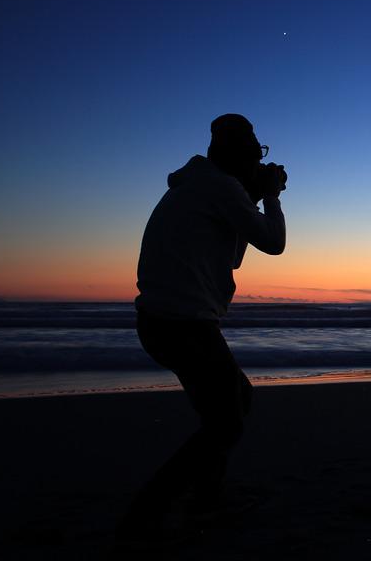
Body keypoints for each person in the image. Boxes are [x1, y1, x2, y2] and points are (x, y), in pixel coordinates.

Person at [118, 113, 286, 540]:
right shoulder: (219, 187)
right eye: (254, 153)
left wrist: (248, 192)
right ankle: (148, 514)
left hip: (163, 323)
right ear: (235, 156)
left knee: (233, 403)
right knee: (225, 423)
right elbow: (274, 242)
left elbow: (230, 256)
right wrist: (270, 195)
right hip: (183, 326)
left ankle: (206, 500)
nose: (258, 160)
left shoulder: (201, 186)